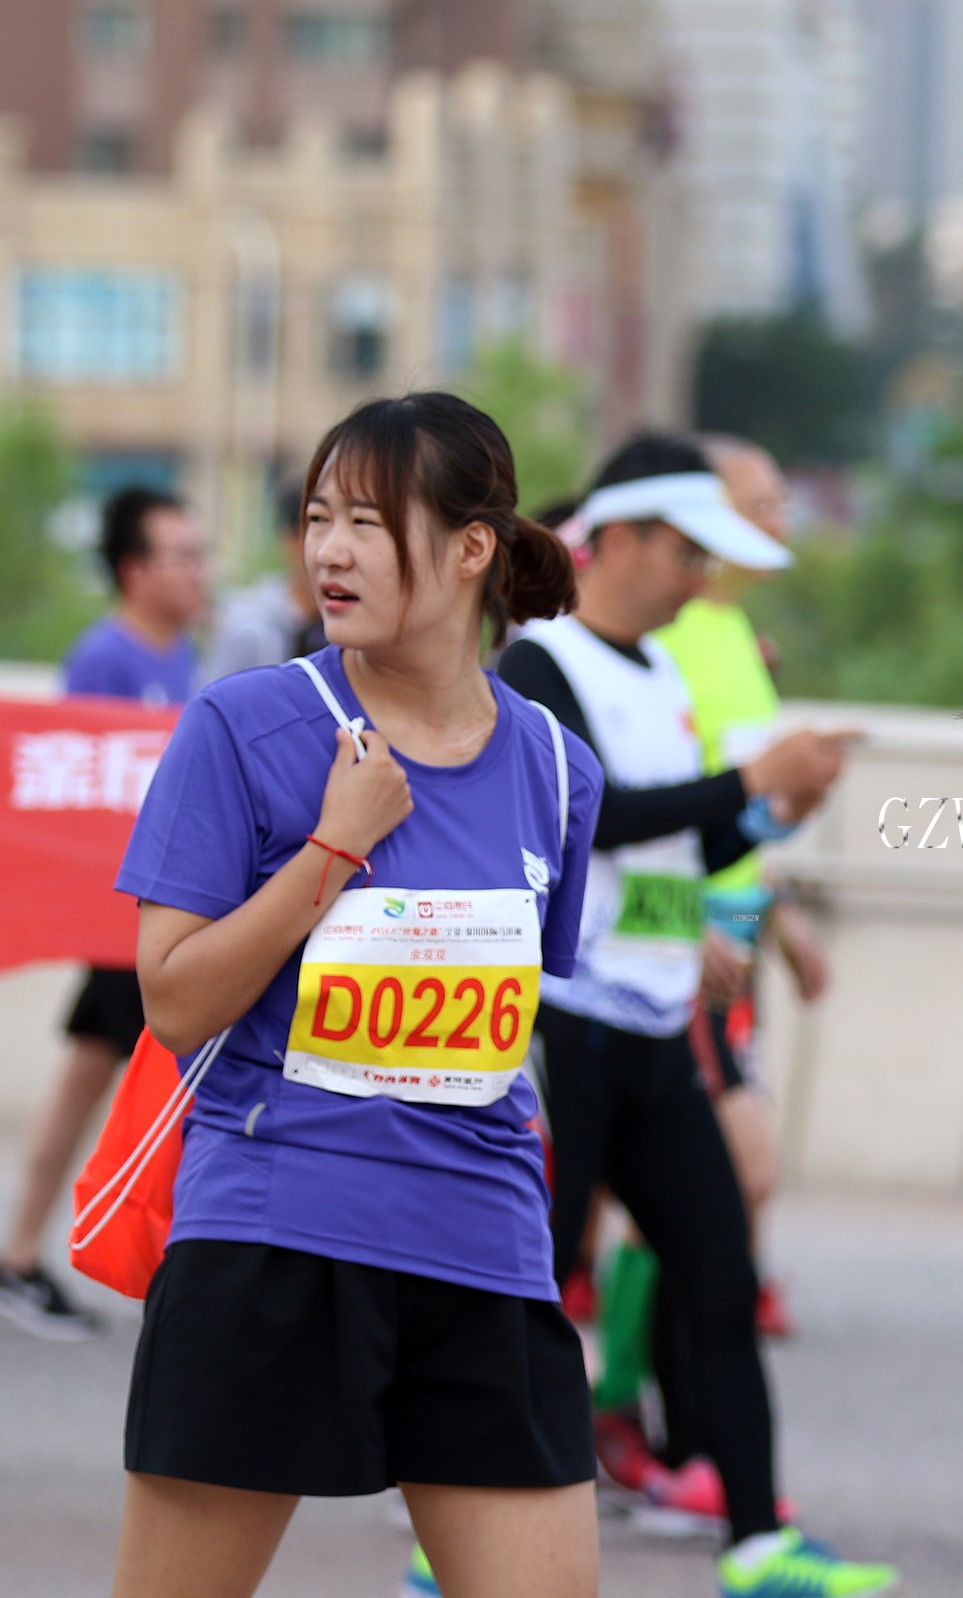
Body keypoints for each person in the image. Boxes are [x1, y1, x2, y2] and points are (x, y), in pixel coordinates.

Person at [106, 392, 607, 1598]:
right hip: (273, 1237)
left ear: (472, 546)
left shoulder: (557, 767)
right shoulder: (245, 725)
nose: (327, 550)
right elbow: (173, 1001)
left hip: (485, 1250)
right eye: (318, 516)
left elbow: (502, 1028)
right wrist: (333, 849)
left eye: (367, 523)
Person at [494, 435, 891, 1597]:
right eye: (683, 552)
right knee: (532, 1286)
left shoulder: (665, 673)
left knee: (719, 1269)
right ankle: (456, 1531)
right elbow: (594, 814)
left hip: (656, 1025)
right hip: (562, 1022)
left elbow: (694, 841)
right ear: (612, 539)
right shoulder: (539, 660)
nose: (697, 578)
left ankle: (758, 1538)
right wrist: (749, 781)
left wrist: (773, 811)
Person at [0, 486, 210, 1340]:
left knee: (118, 1085)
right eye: (182, 555)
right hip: (125, 925)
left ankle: (29, 1254)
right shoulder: (103, 658)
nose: (199, 570)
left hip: (166, 917)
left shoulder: (183, 653)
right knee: (91, 1083)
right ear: (134, 569)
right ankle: (19, 1255)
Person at [647, 432, 829, 1340]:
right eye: (763, 505)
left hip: (733, 926)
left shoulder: (737, 636)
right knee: (725, 1171)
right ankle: (631, 1382)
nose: (781, 521)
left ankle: (650, 1380)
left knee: (714, 1178)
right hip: (676, 936)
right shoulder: (662, 639)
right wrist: (688, 927)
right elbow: (653, 809)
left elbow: (739, 807)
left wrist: (780, 915)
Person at [205, 484, 321, 679]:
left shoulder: (351, 629)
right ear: (289, 541)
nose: (331, 553)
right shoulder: (251, 630)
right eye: (319, 532)